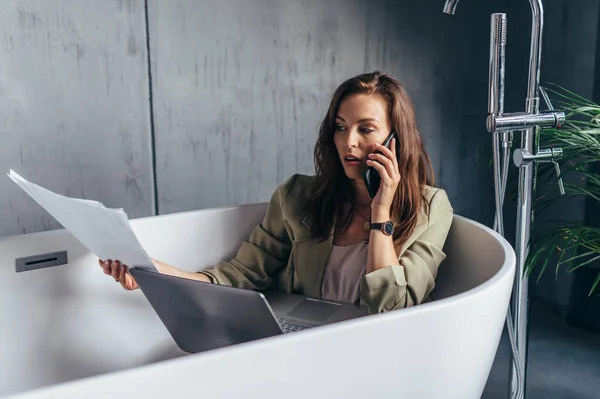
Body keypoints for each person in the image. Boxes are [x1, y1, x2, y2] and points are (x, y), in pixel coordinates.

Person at [99, 71, 453, 314]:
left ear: (396, 139)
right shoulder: (297, 196)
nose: (350, 141)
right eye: (341, 127)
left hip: (381, 355)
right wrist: (150, 274)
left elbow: (391, 308)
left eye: (367, 129)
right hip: (298, 348)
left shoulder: (430, 208)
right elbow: (236, 279)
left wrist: (381, 214)